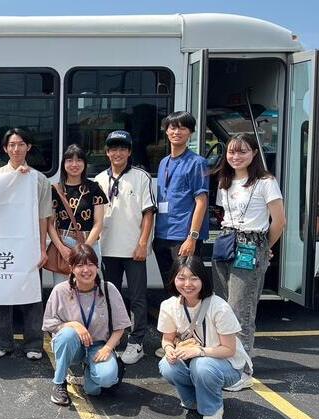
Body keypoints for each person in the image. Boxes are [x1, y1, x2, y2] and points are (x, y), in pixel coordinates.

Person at [212, 134, 285, 391]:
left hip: (250, 246)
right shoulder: (225, 181)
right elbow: (225, 216)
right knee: (221, 306)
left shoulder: (266, 182)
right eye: (231, 152)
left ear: (254, 153)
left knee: (240, 309)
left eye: (242, 152)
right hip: (225, 242)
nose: (235, 157)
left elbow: (279, 222)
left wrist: (265, 248)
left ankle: (243, 370)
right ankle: (225, 360)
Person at [157, 256, 252, 419]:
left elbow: (229, 350)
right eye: (181, 278)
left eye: (194, 278)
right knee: (166, 365)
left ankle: (212, 408)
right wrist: (169, 349)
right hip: (195, 361)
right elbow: (167, 339)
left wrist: (198, 351)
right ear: (173, 279)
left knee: (201, 366)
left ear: (203, 279)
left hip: (228, 365)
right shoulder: (168, 306)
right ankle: (192, 400)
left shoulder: (219, 307)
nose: (187, 284)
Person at [0, 128, 51, 360]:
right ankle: (2, 342)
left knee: (33, 295)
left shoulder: (39, 179)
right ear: (5, 149)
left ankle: (34, 343)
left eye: (21, 144)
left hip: (30, 244)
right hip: (2, 245)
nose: (16, 149)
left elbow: (44, 216)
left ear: (28, 147)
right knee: (3, 293)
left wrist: (43, 248)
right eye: (12, 145)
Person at [43, 243, 131, 406]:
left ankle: (89, 371)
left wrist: (107, 348)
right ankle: (59, 382)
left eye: (91, 264)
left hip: (98, 346)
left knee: (103, 383)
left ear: (97, 266)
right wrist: (74, 325)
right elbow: (49, 324)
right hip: (73, 347)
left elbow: (121, 327)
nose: (86, 270)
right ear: (71, 268)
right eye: (80, 265)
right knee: (67, 335)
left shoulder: (108, 289)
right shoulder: (60, 291)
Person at [94, 131, 156, 365]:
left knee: (138, 297)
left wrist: (142, 243)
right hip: (107, 248)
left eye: (123, 148)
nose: (117, 153)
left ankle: (137, 341)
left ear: (129, 152)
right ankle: (113, 337)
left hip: (133, 249)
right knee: (110, 296)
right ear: (107, 152)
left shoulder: (141, 177)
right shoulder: (99, 179)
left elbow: (148, 213)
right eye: (113, 148)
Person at [152, 111, 209, 357]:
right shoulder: (164, 162)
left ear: (190, 133)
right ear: (166, 131)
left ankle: (195, 339)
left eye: (182, 128)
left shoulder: (197, 163)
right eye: (172, 128)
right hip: (163, 234)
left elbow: (201, 201)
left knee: (190, 289)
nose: (176, 132)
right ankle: (173, 340)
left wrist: (192, 237)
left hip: (183, 237)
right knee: (172, 291)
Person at [48, 143, 106, 279]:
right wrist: (61, 249)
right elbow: (50, 224)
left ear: (85, 163)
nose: (74, 164)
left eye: (79, 160)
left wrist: (85, 250)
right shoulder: (55, 190)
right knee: (64, 289)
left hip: (90, 243)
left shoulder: (94, 188)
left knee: (90, 287)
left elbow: (98, 223)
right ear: (63, 164)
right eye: (69, 160)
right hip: (64, 244)